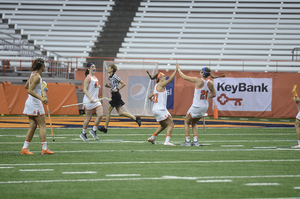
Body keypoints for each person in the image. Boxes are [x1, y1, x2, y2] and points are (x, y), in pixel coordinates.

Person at [177, 64, 219, 146]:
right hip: (204, 107)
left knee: (186, 122)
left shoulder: (198, 80)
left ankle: (188, 141)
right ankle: (195, 141)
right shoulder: (210, 83)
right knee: (194, 123)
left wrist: (178, 69)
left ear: (203, 73)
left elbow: (184, 77)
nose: (199, 73)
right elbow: (214, 94)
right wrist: (205, 97)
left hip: (197, 106)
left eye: (200, 72)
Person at [21, 58, 54, 155]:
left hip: (30, 102)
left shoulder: (33, 74)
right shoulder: (37, 77)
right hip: (35, 103)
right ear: (42, 66)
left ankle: (25, 148)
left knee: (33, 126)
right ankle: (44, 148)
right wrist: (41, 98)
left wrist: (40, 87)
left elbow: (26, 85)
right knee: (42, 125)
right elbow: (29, 90)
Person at [98, 64, 141, 133]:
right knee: (120, 112)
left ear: (112, 69)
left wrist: (118, 89)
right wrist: (108, 86)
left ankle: (105, 128)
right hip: (115, 95)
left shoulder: (115, 76)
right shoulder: (110, 77)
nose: (108, 69)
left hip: (116, 95)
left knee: (108, 111)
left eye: (109, 68)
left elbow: (123, 83)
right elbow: (113, 86)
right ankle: (136, 118)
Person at [147, 66, 178, 146]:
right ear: (160, 78)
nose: (165, 77)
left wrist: (153, 99)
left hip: (157, 109)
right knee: (171, 124)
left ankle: (152, 138)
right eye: (163, 76)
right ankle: (167, 141)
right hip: (160, 109)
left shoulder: (156, 86)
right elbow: (170, 80)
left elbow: (149, 96)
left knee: (163, 125)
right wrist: (175, 70)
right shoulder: (160, 84)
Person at [79, 63, 103, 141]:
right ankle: (83, 133)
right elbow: (84, 89)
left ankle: (93, 130)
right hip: (89, 100)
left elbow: (93, 87)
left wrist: (98, 87)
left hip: (96, 100)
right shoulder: (88, 78)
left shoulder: (95, 78)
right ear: (88, 69)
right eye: (92, 67)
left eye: (94, 66)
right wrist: (90, 98)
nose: (94, 68)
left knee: (100, 115)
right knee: (88, 118)